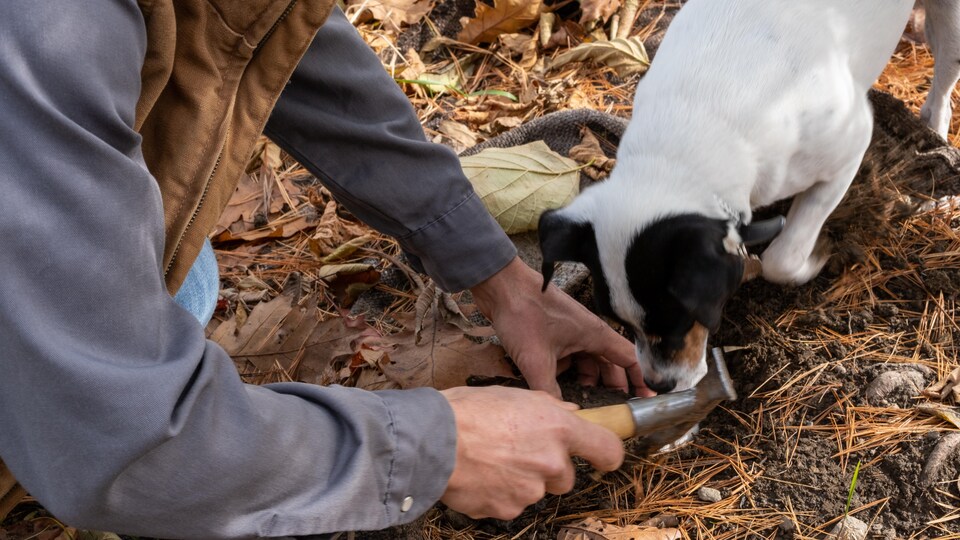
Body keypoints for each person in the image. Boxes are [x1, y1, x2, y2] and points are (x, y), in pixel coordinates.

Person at [0, 1, 652, 538]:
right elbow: (128, 439)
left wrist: (501, 277)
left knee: (182, 280)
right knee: (109, 359)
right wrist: (432, 450)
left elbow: (270, 31)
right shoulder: (50, 34)